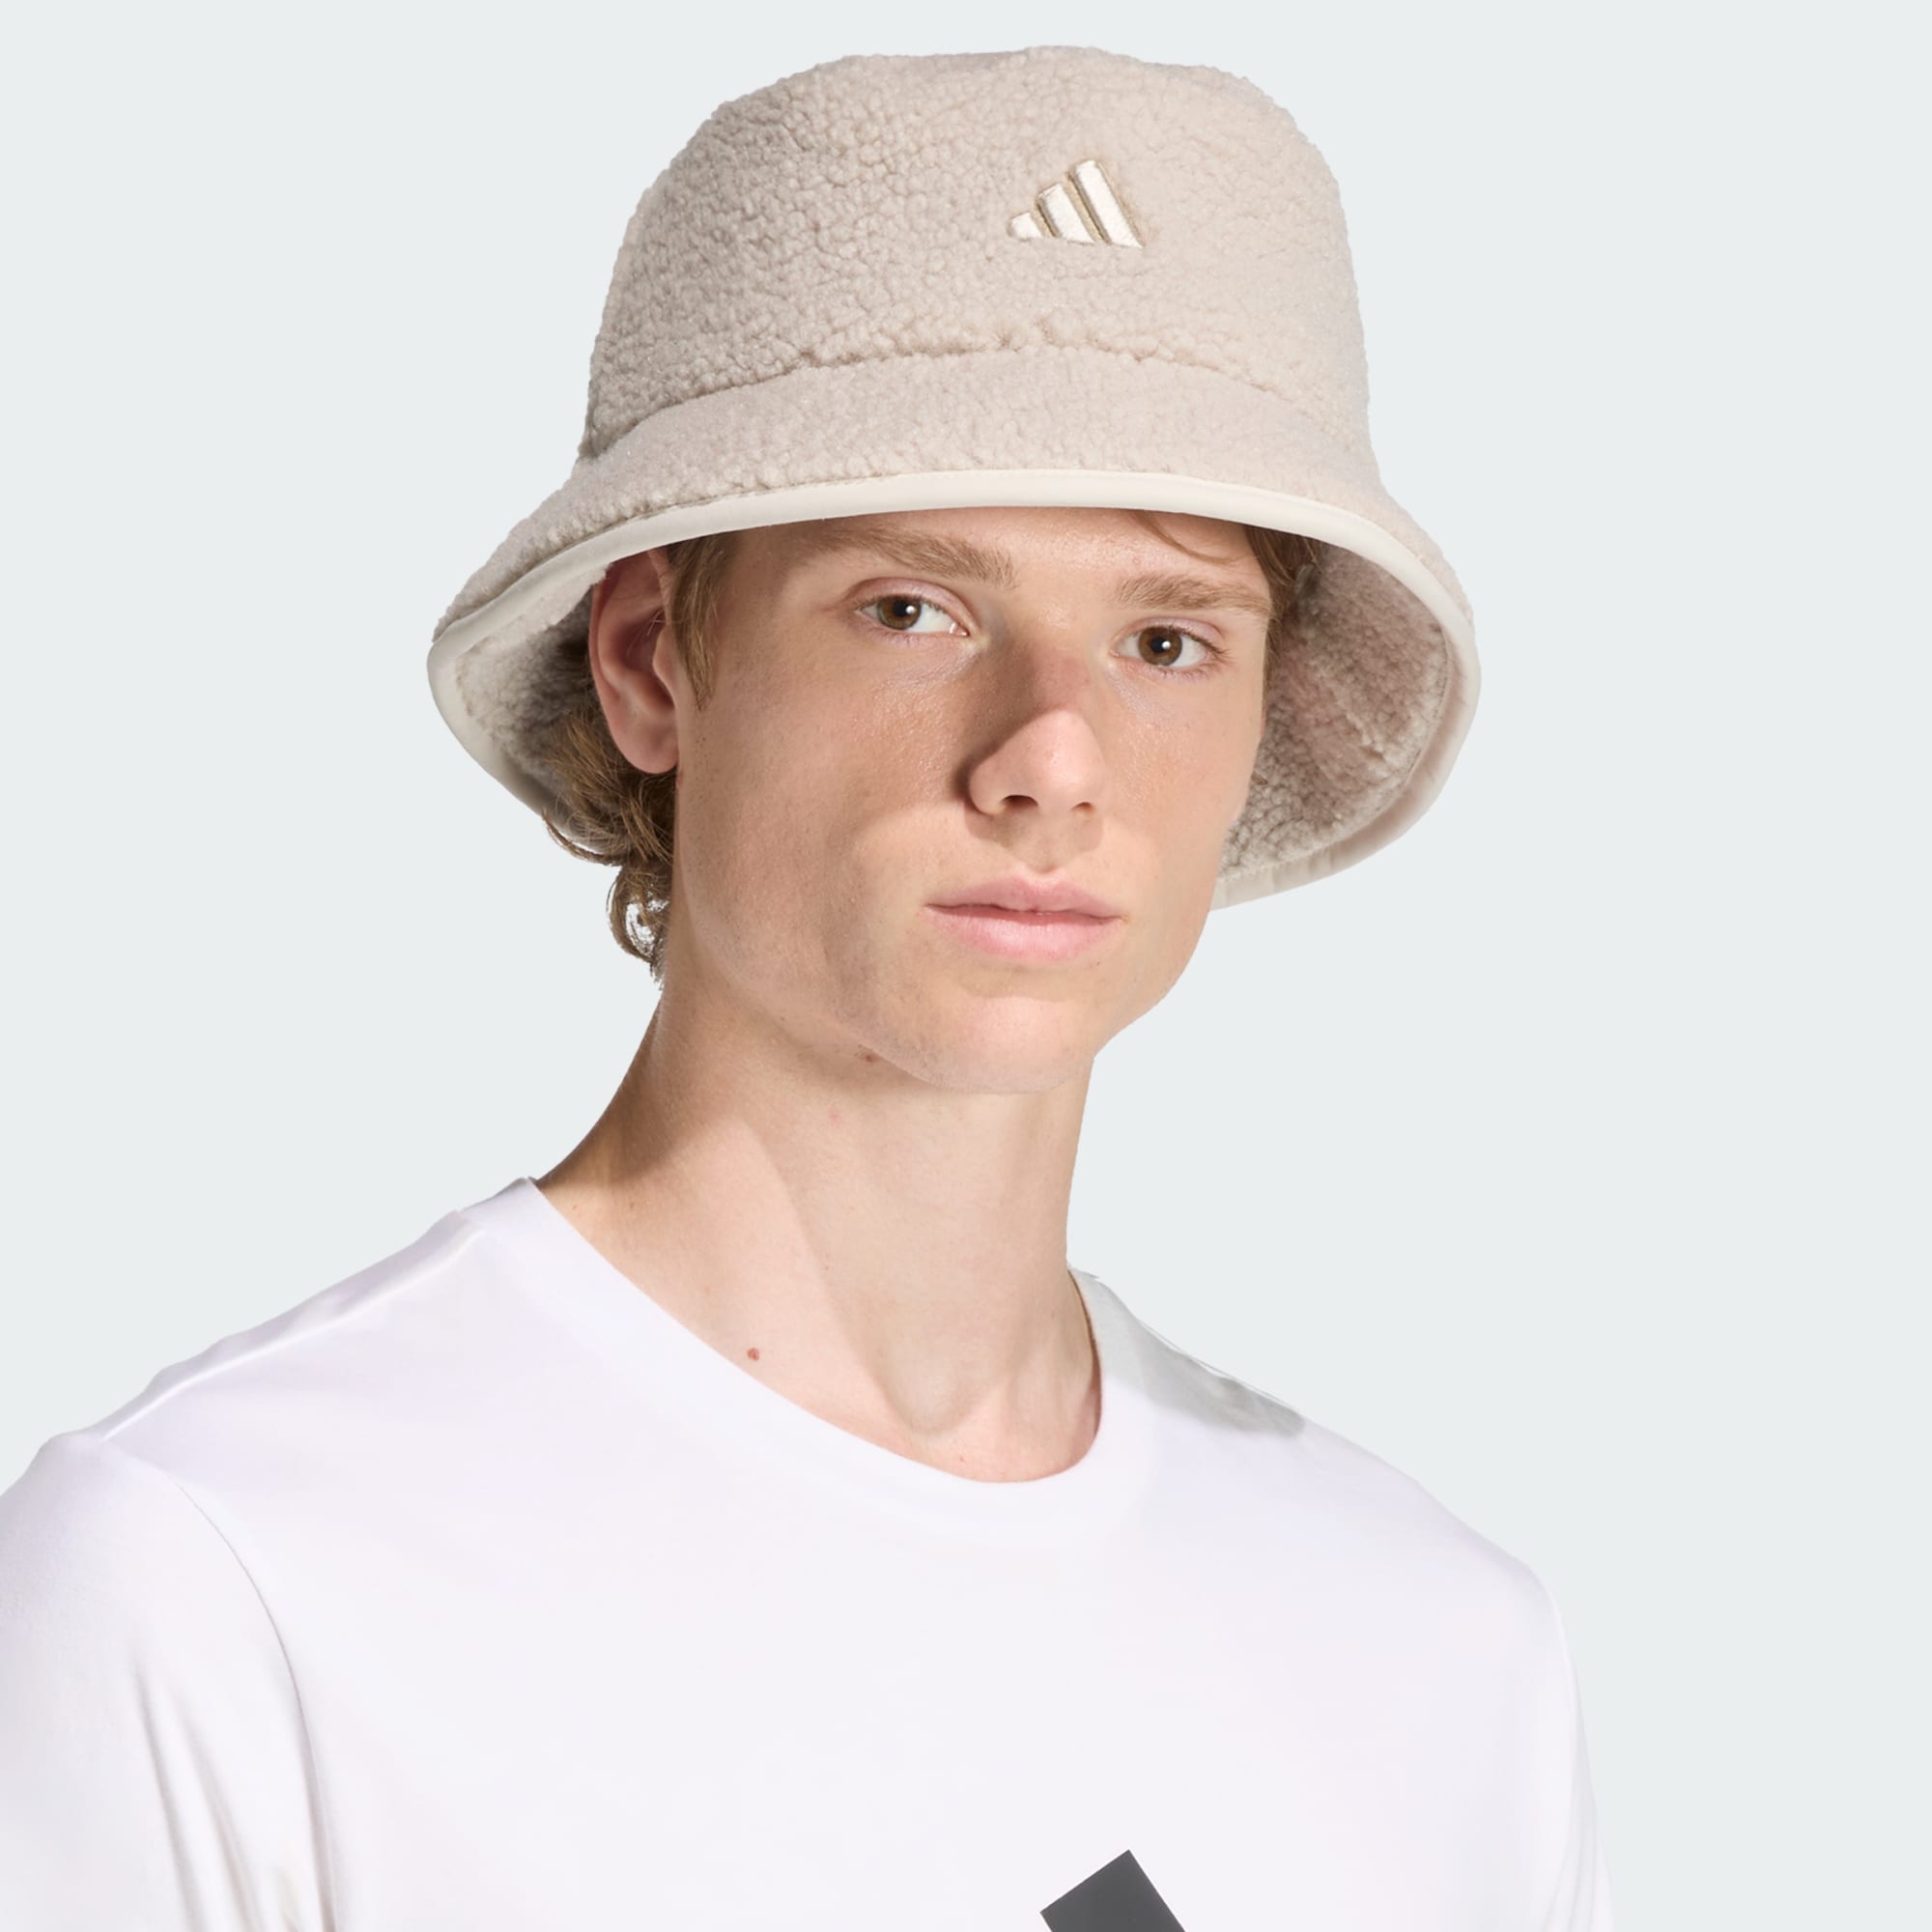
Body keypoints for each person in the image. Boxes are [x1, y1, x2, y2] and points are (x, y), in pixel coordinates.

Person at [0, 43, 1614, 1931]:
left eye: (1168, 638)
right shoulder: (228, 1585)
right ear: (649, 662)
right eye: (911, 609)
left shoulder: (1435, 1662)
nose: (1051, 758)